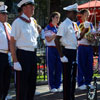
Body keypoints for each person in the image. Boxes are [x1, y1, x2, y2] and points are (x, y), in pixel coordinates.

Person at [55, 3, 88, 100]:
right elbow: (56, 40)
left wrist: (85, 30)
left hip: (74, 51)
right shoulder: (64, 24)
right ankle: (67, 98)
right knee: (67, 79)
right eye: (74, 13)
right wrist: (61, 56)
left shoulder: (74, 24)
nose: (75, 15)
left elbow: (78, 37)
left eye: (76, 13)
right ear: (68, 13)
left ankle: (71, 96)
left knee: (73, 78)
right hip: (67, 52)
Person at [10, 0, 39, 100]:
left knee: (32, 85)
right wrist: (15, 60)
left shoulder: (32, 22)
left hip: (32, 54)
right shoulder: (17, 22)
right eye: (31, 6)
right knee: (22, 85)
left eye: (33, 6)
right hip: (23, 55)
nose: (33, 8)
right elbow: (12, 42)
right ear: (24, 8)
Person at [77, 9, 96, 90]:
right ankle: (80, 83)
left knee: (89, 65)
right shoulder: (78, 23)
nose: (88, 16)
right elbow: (77, 35)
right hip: (81, 46)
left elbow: (93, 34)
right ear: (81, 15)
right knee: (81, 65)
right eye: (86, 14)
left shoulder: (90, 24)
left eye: (88, 15)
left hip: (89, 46)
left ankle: (88, 82)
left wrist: (93, 37)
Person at [44, 12, 62, 92]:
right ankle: (52, 86)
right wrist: (55, 35)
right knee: (51, 68)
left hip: (58, 49)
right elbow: (48, 39)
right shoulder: (48, 27)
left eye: (58, 18)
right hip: (51, 48)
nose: (57, 19)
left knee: (59, 67)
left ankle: (58, 85)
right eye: (56, 17)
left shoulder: (59, 27)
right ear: (52, 18)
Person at [0, 4, 12, 100]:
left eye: (6, 14)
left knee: (6, 79)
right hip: (0, 54)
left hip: (8, 55)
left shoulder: (8, 26)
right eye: (3, 14)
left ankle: (4, 95)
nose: (6, 16)